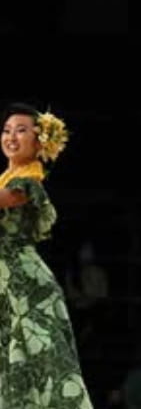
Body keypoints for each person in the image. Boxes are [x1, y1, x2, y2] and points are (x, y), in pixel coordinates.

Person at [0, 103, 93, 407]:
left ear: (39, 142)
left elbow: (7, 200)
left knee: (42, 370)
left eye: (21, 130)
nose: (11, 136)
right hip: (5, 286)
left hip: (26, 286)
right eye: (7, 130)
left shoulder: (28, 183)